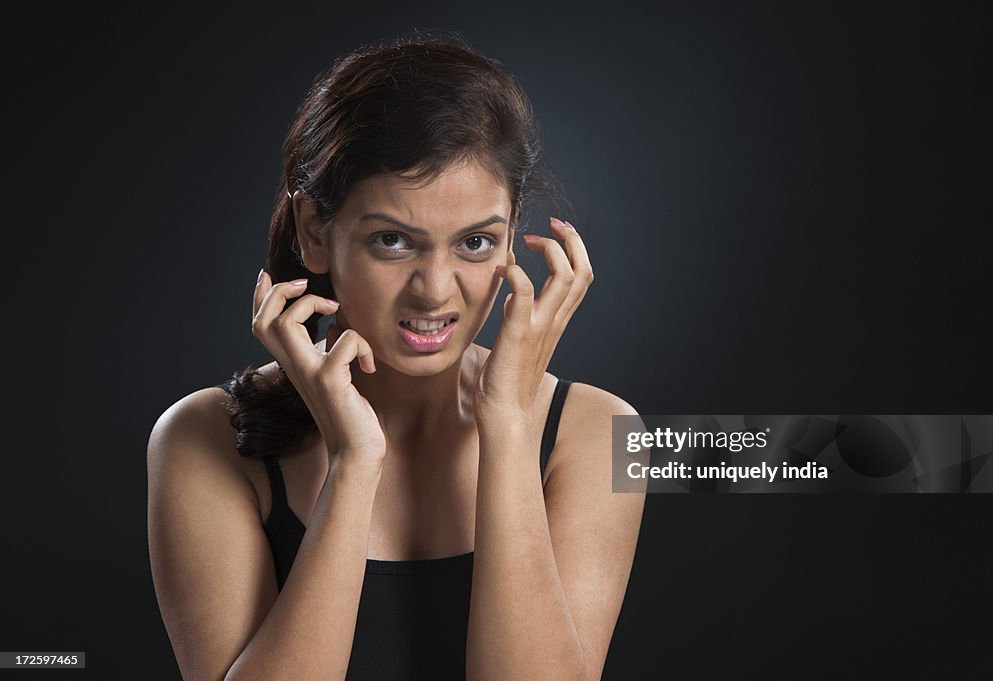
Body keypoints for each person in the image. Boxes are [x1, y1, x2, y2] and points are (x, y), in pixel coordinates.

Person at [147, 33, 646, 681]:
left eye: (474, 241)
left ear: (511, 231)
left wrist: (508, 427)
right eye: (392, 239)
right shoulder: (201, 438)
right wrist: (354, 463)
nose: (436, 289)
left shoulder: (599, 434)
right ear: (315, 233)